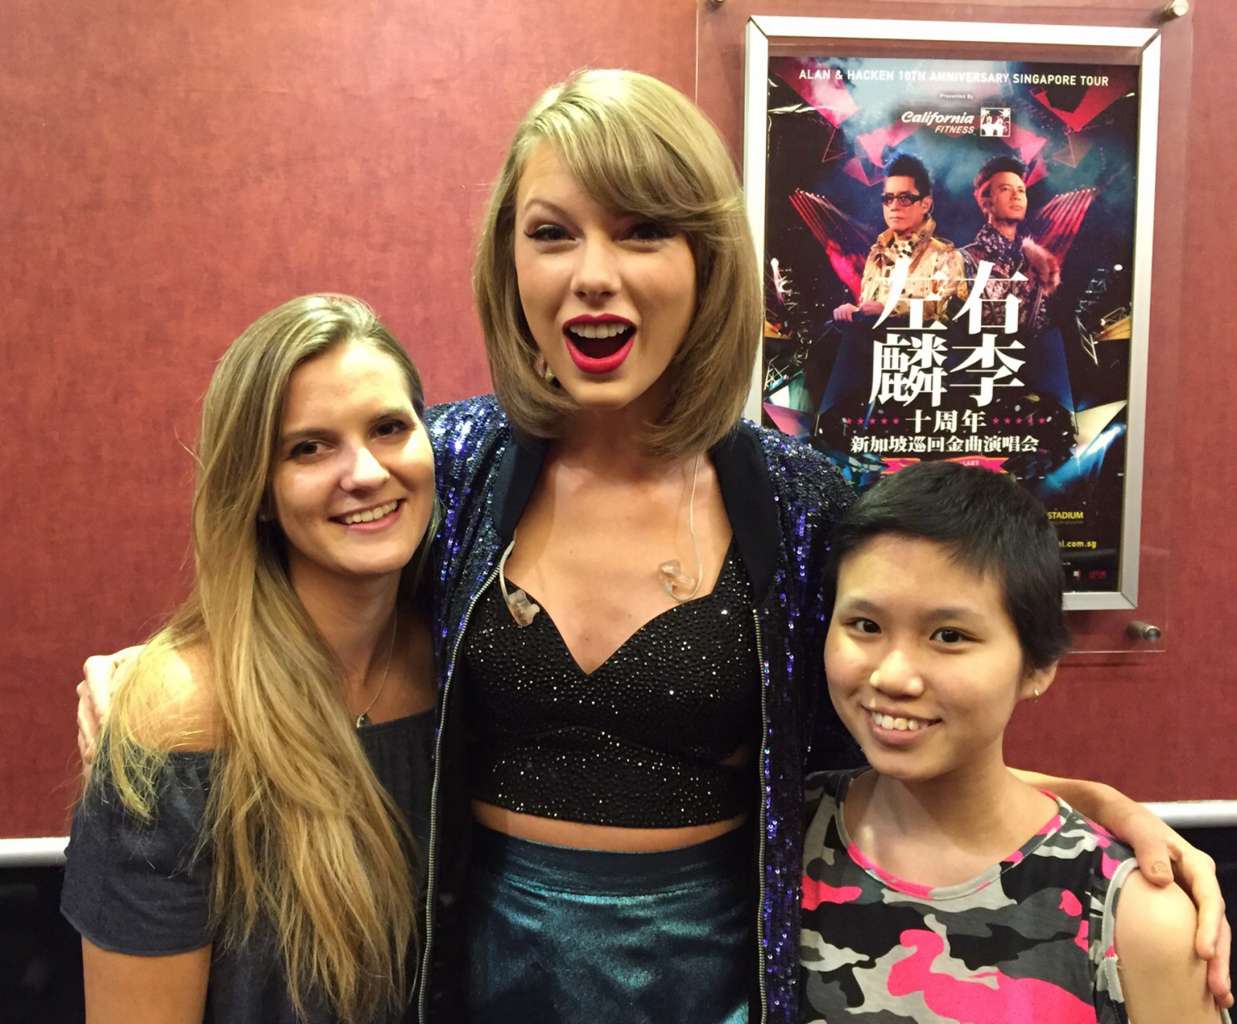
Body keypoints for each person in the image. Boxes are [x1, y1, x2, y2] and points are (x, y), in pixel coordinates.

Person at [77, 72, 1233, 1024]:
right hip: (474, 974)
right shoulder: (456, 461)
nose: (595, 272)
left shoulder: (796, 498)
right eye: (553, 234)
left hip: (716, 980)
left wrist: (1097, 809)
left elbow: (894, 711)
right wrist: (157, 675)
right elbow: (301, 560)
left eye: (642, 232)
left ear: (706, 262)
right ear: (510, 262)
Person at [63, 294, 439, 1024]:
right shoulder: (181, 715)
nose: (365, 472)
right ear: (258, 492)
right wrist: (156, 690)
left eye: (389, 428)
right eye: (309, 448)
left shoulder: (461, 663)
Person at [801, 460, 1231, 1023]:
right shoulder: (777, 839)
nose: (893, 676)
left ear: (1038, 665)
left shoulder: (1135, 919)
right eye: (865, 625)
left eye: (949, 636)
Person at [834, 152, 966, 327]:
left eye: (904, 198)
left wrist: (891, 311)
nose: (894, 206)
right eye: (888, 198)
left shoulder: (946, 256)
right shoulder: (876, 255)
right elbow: (871, 312)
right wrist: (854, 311)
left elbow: (951, 319)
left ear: (925, 204)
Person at [959, 155, 1060, 336]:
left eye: (1021, 190)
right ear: (986, 202)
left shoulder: (1037, 264)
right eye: (1006, 189)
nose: (1016, 196)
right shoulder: (964, 260)